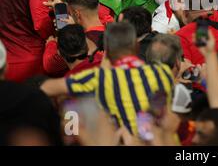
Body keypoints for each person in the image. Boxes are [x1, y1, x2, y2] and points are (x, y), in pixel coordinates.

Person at [40, 22, 175, 135]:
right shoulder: (163, 72)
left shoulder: (99, 77)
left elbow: (46, 88)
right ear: (136, 46)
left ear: (106, 51)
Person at [43, 0, 105, 76]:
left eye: (70, 13)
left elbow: (50, 65)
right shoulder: (112, 29)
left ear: (76, 14)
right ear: (98, 6)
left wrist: (51, 43)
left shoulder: (79, 43)